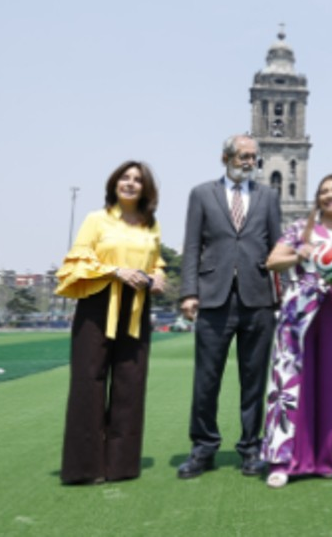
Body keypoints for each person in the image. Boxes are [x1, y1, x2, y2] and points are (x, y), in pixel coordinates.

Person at [177, 134, 282, 479]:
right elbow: (192, 246)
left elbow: (278, 248)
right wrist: (189, 292)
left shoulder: (268, 197)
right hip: (213, 297)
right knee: (206, 379)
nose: (249, 162)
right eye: (242, 156)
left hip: (258, 299)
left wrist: (282, 295)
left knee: (254, 380)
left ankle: (251, 448)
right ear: (225, 158)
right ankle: (203, 448)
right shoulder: (201, 194)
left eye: (253, 157)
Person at [55, 160, 166, 485]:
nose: (130, 183)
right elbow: (78, 259)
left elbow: (156, 261)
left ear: (145, 189)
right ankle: (85, 468)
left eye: (137, 179)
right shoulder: (96, 219)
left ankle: (121, 465)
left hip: (137, 306)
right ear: (114, 184)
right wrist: (115, 271)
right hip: (98, 302)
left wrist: (159, 276)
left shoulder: (150, 225)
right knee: (88, 380)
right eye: (124, 178)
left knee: (131, 382)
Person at [262, 173, 332, 488]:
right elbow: (272, 261)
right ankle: (283, 461)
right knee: (289, 383)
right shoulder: (300, 229)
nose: (330, 195)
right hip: (298, 311)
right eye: (324, 191)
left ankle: (324, 459)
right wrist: (299, 253)